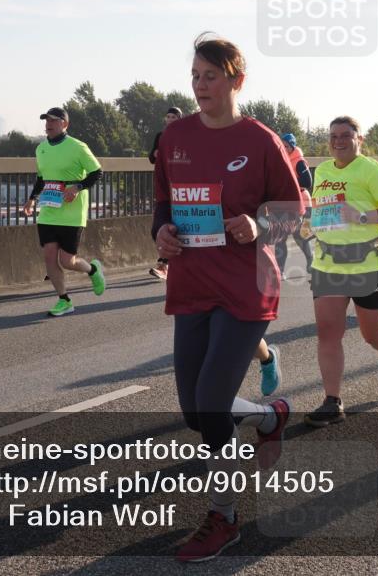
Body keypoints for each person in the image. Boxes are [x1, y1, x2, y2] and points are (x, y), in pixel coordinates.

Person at [152, 34, 299, 562]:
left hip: (246, 286)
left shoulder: (260, 140)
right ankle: (268, 416)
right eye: (194, 76)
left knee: (212, 402)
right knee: (195, 413)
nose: (199, 85)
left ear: (237, 79)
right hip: (190, 285)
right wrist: (162, 233)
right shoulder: (175, 138)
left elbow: (292, 212)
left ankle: (224, 518)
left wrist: (255, 224)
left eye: (210, 76)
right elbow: (163, 202)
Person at [303, 116, 378, 427]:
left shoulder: (370, 169)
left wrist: (361, 216)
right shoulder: (321, 170)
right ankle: (332, 401)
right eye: (333, 135)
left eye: (346, 135)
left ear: (359, 139)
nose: (338, 140)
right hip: (328, 262)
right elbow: (324, 210)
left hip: (371, 261)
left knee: (371, 334)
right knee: (327, 331)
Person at [23, 107, 107, 316]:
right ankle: (64, 299)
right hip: (49, 210)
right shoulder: (41, 148)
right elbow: (42, 178)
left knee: (67, 261)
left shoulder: (78, 147)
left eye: (53, 120)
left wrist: (77, 187)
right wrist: (32, 199)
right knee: (49, 256)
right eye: (46, 120)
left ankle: (93, 270)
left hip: (72, 211)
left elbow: (97, 173)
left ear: (65, 124)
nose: (48, 124)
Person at [147, 107, 184, 281]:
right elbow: (151, 158)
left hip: (180, 188)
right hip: (163, 188)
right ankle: (166, 264)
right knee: (158, 228)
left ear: (179, 119)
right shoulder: (160, 136)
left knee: (174, 226)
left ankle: (164, 264)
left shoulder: (184, 136)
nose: (170, 119)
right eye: (168, 116)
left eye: (173, 116)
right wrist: (155, 154)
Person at [275, 133, 314, 276]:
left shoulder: (299, 161)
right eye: (282, 145)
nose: (284, 148)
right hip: (285, 203)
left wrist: (289, 185)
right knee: (281, 236)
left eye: (286, 146)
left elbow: (308, 182)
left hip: (301, 203)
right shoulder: (280, 160)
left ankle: (311, 260)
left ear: (292, 146)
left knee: (298, 236)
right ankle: (280, 270)